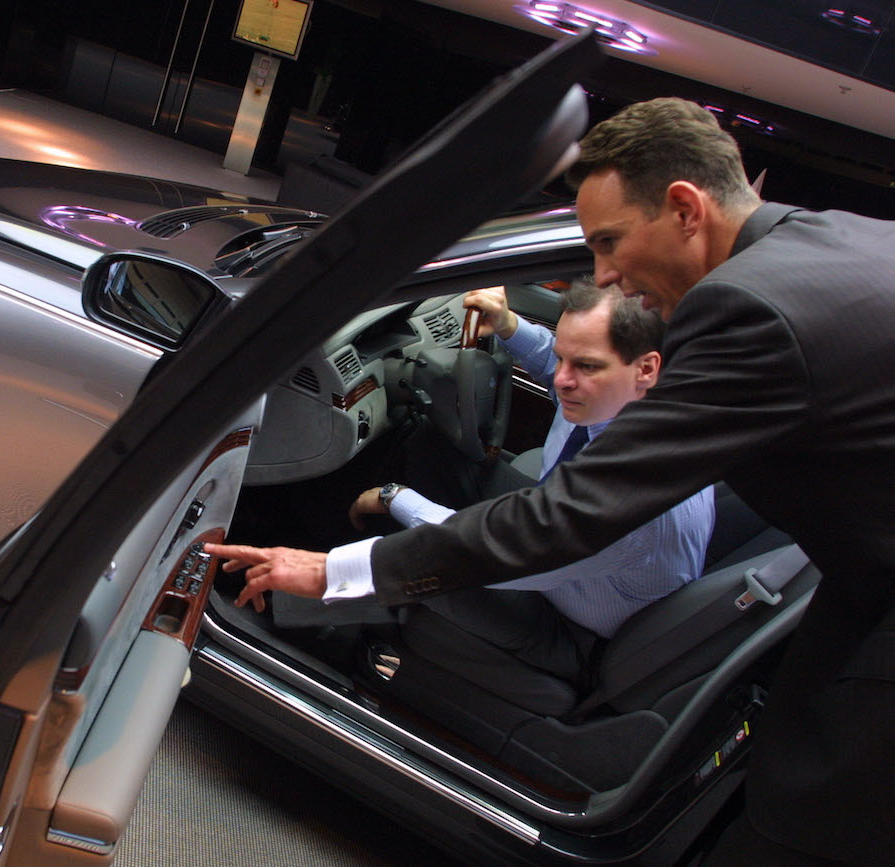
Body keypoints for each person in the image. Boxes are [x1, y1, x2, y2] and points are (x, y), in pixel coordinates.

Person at [207, 97, 895, 864]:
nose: (603, 274)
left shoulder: (745, 309)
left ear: (684, 209)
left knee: (790, 836)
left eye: (608, 243)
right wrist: (511, 331)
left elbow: (561, 520)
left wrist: (334, 569)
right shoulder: (838, 241)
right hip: (855, 585)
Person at [334, 280, 713, 685]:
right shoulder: (626, 400)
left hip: (573, 630)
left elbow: (496, 554)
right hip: (563, 549)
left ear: (646, 369)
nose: (563, 380)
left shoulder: (629, 496)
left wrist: (395, 499)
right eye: (564, 357)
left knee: (410, 556)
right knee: (429, 446)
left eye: (586, 366)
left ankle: (326, 633)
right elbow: (554, 369)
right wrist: (509, 326)